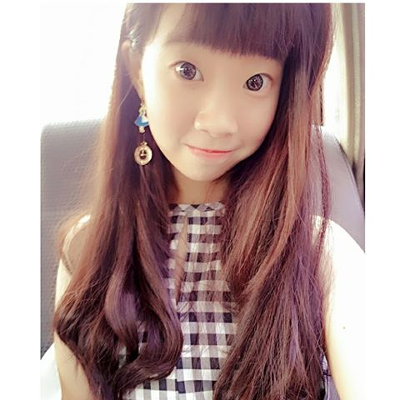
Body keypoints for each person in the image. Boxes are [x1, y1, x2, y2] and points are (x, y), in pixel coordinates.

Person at [52, 3, 364, 400]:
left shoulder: (320, 253)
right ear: (138, 69)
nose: (218, 121)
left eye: (255, 82)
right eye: (187, 70)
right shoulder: (89, 250)